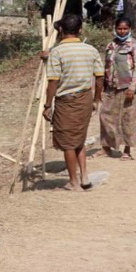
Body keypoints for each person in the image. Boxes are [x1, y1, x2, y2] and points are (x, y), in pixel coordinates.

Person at [43, 14, 105, 191]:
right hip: (85, 99)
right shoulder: (90, 50)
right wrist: (96, 98)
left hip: (67, 101)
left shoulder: (57, 52)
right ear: (80, 30)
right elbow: (99, 77)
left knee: (68, 143)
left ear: (61, 30)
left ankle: (73, 182)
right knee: (79, 139)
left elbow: (53, 82)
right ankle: (84, 177)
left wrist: (48, 105)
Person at [100, 18, 136, 160]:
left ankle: (127, 150)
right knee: (106, 116)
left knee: (128, 117)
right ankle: (106, 148)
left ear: (130, 28)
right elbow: (106, 66)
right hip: (111, 86)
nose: (122, 31)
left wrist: (133, 87)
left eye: (125, 29)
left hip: (127, 87)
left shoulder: (135, 45)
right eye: (119, 28)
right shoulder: (111, 45)